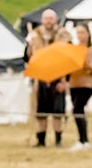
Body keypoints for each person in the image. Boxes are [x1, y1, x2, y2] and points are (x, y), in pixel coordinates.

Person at [25, 9, 66, 147]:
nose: (48, 21)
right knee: (41, 111)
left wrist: (64, 81)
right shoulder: (35, 35)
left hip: (58, 76)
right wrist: (30, 47)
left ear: (55, 20)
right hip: (40, 77)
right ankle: (41, 140)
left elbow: (67, 58)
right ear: (42, 20)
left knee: (57, 112)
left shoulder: (62, 34)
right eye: (46, 18)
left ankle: (58, 140)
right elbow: (28, 57)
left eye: (51, 18)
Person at [66, 22, 92, 149]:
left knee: (77, 109)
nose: (80, 35)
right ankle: (82, 139)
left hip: (87, 85)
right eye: (78, 32)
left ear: (88, 34)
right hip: (74, 84)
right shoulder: (74, 49)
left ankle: (84, 140)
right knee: (78, 111)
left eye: (82, 32)